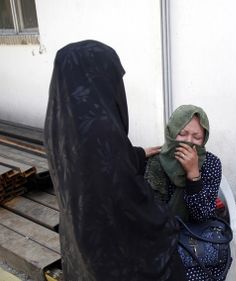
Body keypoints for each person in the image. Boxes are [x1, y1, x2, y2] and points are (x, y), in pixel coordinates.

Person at [44, 40, 185, 281]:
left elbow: (93, 169)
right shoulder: (101, 130)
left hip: (77, 236)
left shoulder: (59, 124)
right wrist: (166, 218)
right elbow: (128, 201)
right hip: (109, 253)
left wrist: (137, 155)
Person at [144, 104, 226, 280]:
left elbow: (203, 215)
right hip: (158, 234)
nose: (188, 141)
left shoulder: (211, 164)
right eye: (182, 134)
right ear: (171, 132)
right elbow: (145, 209)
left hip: (194, 236)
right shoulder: (155, 161)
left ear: (204, 139)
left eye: (196, 137)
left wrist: (193, 175)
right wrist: (134, 157)